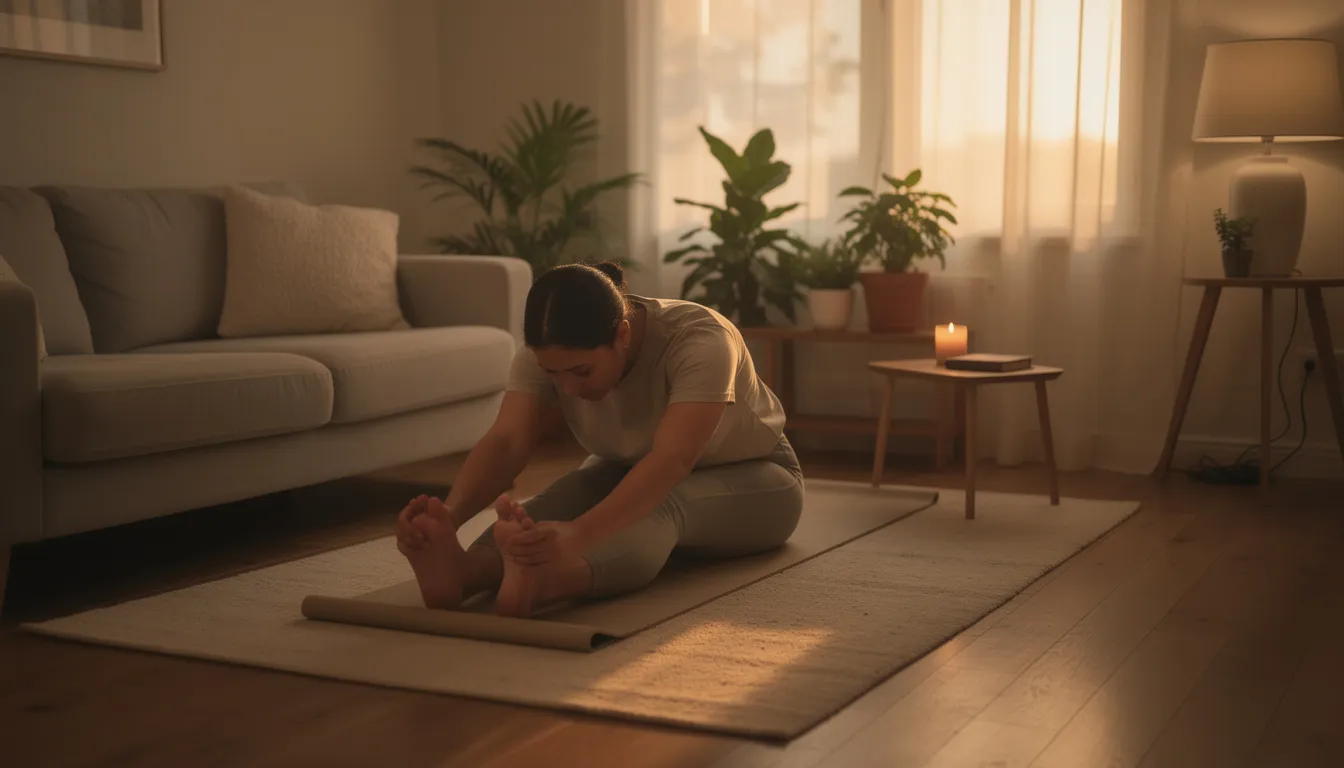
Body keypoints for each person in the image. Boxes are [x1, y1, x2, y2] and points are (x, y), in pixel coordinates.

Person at [394, 261, 805, 617]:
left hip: (761, 477)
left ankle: (549, 581)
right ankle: (466, 573)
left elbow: (672, 460)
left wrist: (578, 536)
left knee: (660, 505)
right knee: (569, 493)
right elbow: (508, 440)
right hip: (623, 467)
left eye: (582, 372)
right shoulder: (550, 354)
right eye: (553, 374)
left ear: (622, 334)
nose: (568, 389)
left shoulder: (701, 339)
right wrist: (449, 515)